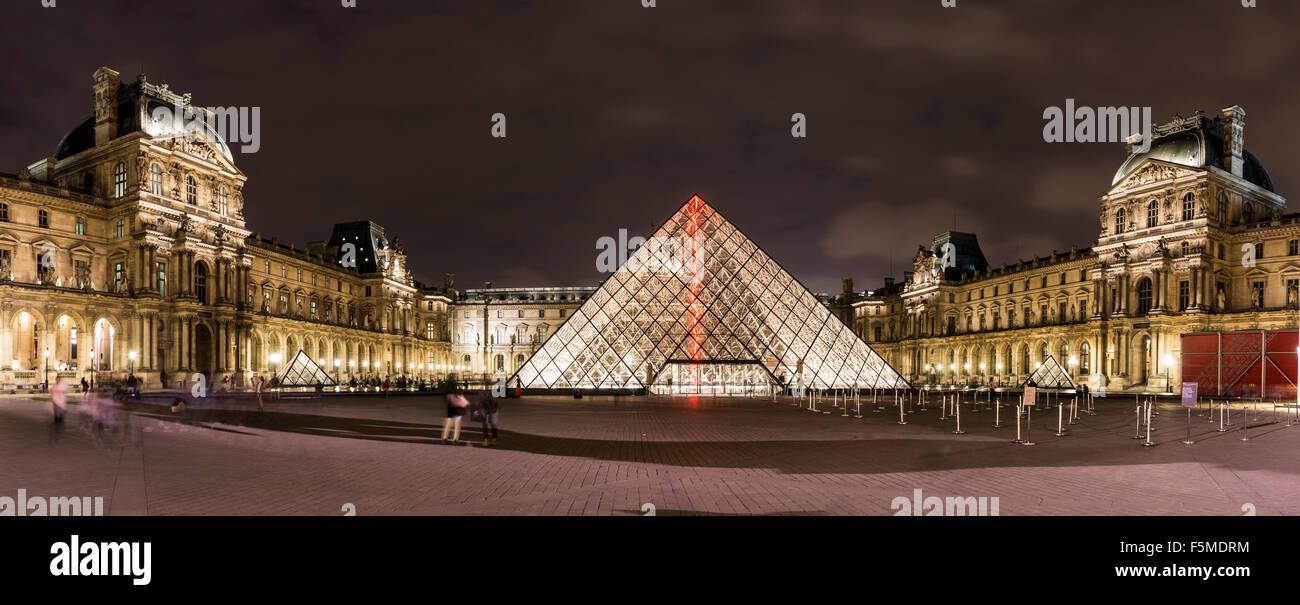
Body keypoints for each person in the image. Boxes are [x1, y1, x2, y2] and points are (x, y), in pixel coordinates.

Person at [49, 377, 69, 442]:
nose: (57, 380)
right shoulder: (54, 386)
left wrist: (57, 390)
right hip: (55, 402)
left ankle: (60, 423)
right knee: (56, 414)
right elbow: (51, 391)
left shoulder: (62, 385)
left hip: (61, 402)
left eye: (58, 379)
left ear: (60, 380)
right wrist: (52, 392)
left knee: (60, 414)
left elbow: (65, 391)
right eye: (56, 379)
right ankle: (57, 425)